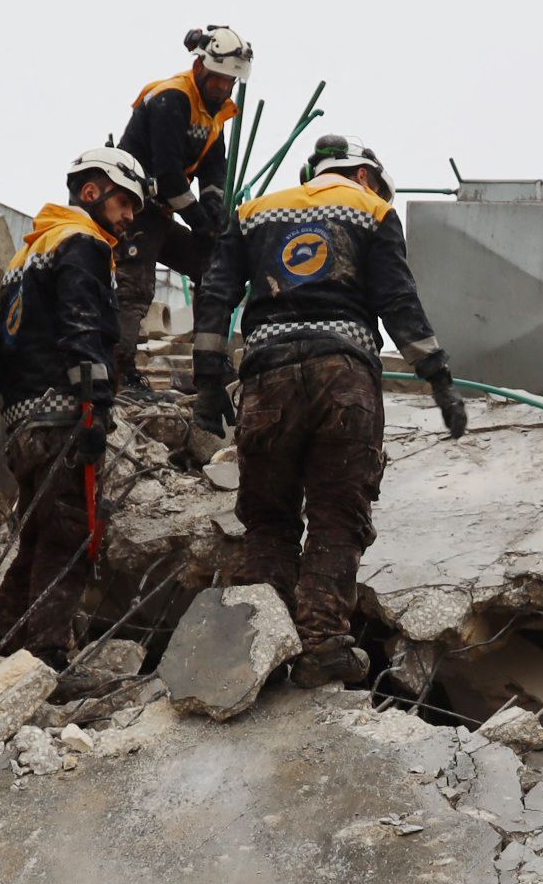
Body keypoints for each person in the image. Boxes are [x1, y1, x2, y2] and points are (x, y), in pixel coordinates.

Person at [191, 133, 468, 688]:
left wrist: (207, 383)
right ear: (365, 175)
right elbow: (398, 301)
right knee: (337, 516)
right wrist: (438, 380)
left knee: (269, 518)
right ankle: (320, 645)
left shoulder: (254, 212)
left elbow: (215, 293)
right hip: (343, 376)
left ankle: (259, 649)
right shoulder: (373, 210)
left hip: (266, 376)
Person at [0, 147, 147, 663]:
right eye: (126, 202)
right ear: (93, 192)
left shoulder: (25, 256)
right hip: (62, 417)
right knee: (70, 534)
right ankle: (45, 655)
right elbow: (84, 329)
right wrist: (93, 406)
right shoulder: (84, 243)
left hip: (23, 422)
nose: (131, 216)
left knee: (36, 538)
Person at [109, 24, 252, 393]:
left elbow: (213, 167)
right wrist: (200, 220)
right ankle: (118, 371)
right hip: (131, 209)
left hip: (161, 211)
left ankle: (210, 366)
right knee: (136, 285)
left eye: (230, 82)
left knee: (212, 267)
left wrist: (214, 207)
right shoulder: (171, 98)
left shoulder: (215, 113)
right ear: (201, 67)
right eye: (218, 79)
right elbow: (170, 176)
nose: (223, 87)